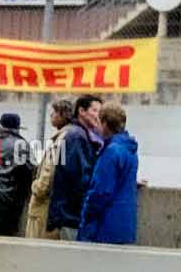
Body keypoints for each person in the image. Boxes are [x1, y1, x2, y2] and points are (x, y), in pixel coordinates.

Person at [77, 103, 138, 244]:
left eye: (97, 121)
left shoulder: (111, 152)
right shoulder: (130, 149)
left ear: (104, 124)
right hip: (125, 225)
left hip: (105, 227)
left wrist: (85, 218)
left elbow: (100, 192)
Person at [45, 93, 101, 239]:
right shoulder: (77, 137)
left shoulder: (80, 135)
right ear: (81, 111)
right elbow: (80, 179)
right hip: (70, 216)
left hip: (69, 214)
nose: (98, 116)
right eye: (95, 111)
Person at [27, 99, 75, 237]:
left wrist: (36, 187)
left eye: (54, 112)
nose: (51, 115)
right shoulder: (67, 136)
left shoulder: (60, 140)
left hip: (43, 209)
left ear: (63, 115)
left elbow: (48, 176)